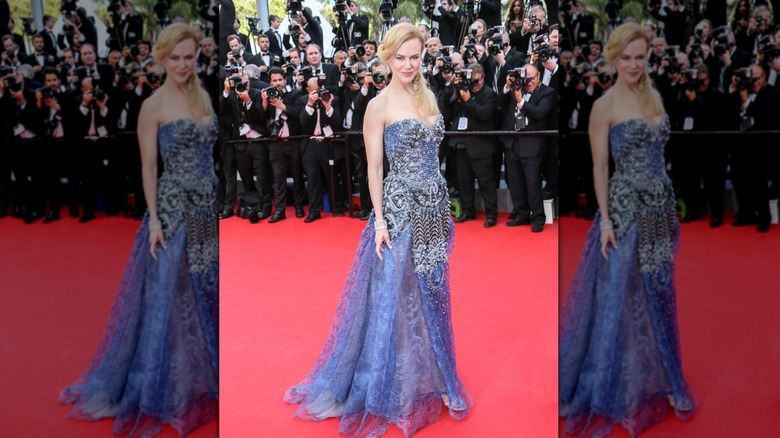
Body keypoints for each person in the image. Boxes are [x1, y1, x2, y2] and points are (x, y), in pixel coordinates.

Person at [284, 23, 471, 436]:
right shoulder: (378, 105)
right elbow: (373, 168)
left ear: (423, 57)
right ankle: (394, 381)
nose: (408, 65)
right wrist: (381, 220)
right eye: (400, 57)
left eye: (415, 57)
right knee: (398, 297)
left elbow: (433, 153)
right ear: (388, 59)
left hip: (433, 209)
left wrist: (439, 204)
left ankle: (440, 376)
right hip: (401, 211)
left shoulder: (430, 96)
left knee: (434, 292)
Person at [58, 23, 219, 437]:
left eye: (189, 57)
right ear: (162, 59)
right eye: (175, 57)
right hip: (173, 208)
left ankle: (208, 376)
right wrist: (154, 221)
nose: (183, 64)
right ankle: (174, 384)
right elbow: (148, 169)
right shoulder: (152, 105)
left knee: (208, 289)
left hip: (208, 208)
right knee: (175, 296)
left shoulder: (203, 97)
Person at [558, 23, 696, 437]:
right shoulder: (604, 106)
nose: (634, 64)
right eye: (626, 57)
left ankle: (667, 376)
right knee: (623, 295)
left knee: (658, 292)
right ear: (614, 58)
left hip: (659, 209)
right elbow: (600, 169)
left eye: (640, 57)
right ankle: (619, 383)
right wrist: (604, 221)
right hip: (623, 209)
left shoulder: (654, 97)